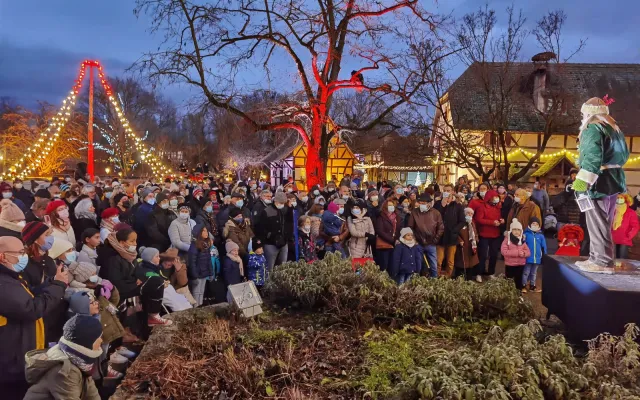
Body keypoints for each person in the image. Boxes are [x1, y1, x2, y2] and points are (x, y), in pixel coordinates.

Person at [0, 236, 68, 399]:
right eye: (19, 253)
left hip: (17, 355)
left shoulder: (11, 277)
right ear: (2, 256)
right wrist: (58, 286)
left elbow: (29, 295)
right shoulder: (3, 284)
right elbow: (31, 308)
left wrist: (52, 282)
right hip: (11, 362)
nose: (23, 256)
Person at [98, 228, 171, 327]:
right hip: (119, 291)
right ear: (122, 243)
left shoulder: (129, 254)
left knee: (156, 282)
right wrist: (136, 283)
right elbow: (116, 282)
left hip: (131, 285)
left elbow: (137, 270)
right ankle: (152, 316)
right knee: (156, 284)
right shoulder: (113, 258)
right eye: (132, 241)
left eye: (136, 240)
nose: (135, 244)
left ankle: (149, 321)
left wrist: (141, 278)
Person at [23, 315, 103, 400]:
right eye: (98, 337)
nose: (101, 340)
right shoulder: (65, 371)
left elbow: (92, 395)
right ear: (86, 341)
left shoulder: (80, 362)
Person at [136, 247, 191, 312]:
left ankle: (190, 311)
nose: (169, 262)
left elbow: (183, 283)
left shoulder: (179, 266)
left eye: (172, 260)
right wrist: (162, 283)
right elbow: (151, 278)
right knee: (174, 301)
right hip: (161, 290)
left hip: (174, 290)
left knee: (181, 298)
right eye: (168, 259)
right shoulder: (154, 267)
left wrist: (179, 270)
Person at [433, 184, 466, 278]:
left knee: (450, 261)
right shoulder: (438, 204)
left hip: (452, 237)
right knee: (438, 260)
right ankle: (437, 277)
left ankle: (448, 277)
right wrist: (442, 205)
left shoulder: (457, 206)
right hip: (440, 237)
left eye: (449, 190)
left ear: (452, 192)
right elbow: (434, 217)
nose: (447, 192)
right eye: (445, 190)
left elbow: (462, 221)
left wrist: (454, 230)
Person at [407, 193, 443, 278]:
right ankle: (417, 280)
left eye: (424, 203)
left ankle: (434, 281)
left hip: (431, 243)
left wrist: (435, 240)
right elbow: (410, 227)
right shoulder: (414, 213)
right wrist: (414, 240)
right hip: (418, 243)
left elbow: (441, 228)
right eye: (420, 203)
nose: (422, 205)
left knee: (433, 264)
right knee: (418, 264)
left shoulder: (436, 213)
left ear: (429, 203)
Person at [474, 190, 504, 281]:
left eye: (497, 197)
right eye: (494, 197)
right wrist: (491, 222)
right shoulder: (482, 207)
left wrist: (501, 220)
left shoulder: (498, 207)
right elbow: (479, 219)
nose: (496, 199)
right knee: (482, 255)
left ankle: (491, 272)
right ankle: (479, 273)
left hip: (495, 234)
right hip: (484, 234)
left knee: (494, 254)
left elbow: (499, 217)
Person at [255, 192, 289, 270]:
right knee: (269, 267)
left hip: (284, 242)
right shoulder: (267, 211)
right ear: (276, 201)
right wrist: (270, 236)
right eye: (281, 202)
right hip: (270, 243)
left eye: (284, 203)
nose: (282, 204)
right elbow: (261, 228)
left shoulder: (284, 210)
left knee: (283, 266)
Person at [187, 224, 219, 306]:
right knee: (196, 292)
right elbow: (192, 262)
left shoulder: (206, 245)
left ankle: (200, 308)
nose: (206, 233)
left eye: (206, 231)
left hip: (204, 273)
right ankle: (195, 309)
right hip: (198, 274)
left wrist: (211, 273)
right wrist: (195, 275)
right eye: (204, 231)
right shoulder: (194, 246)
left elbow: (208, 260)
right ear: (198, 232)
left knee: (201, 292)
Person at [501, 218, 530, 290]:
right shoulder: (507, 240)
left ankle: (518, 294)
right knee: (509, 281)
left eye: (518, 230)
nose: (516, 232)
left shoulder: (522, 241)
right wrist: (516, 253)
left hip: (520, 265)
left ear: (521, 231)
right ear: (511, 230)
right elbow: (504, 251)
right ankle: (509, 295)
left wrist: (523, 253)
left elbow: (528, 252)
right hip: (510, 265)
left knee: (518, 281)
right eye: (514, 229)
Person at [375, 199, 402, 272]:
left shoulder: (397, 217)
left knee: (392, 267)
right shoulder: (381, 217)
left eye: (392, 205)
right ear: (385, 207)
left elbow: (399, 230)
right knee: (384, 266)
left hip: (394, 245)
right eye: (389, 205)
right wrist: (392, 240)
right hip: (384, 246)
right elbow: (379, 231)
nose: (391, 207)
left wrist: (396, 239)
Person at [453, 207, 479, 280]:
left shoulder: (472, 223)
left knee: (470, 265)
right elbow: (455, 233)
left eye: (471, 214)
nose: (470, 215)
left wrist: (476, 240)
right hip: (462, 247)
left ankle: (469, 279)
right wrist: (459, 240)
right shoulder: (460, 223)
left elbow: (475, 233)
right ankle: (458, 278)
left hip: (471, 247)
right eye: (468, 213)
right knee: (460, 264)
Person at [523, 217, 547, 293]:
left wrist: (544, 256)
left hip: (537, 258)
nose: (535, 225)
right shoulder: (525, 234)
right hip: (528, 257)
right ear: (530, 224)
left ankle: (532, 286)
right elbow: (522, 245)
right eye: (533, 223)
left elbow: (544, 247)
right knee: (526, 272)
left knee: (534, 273)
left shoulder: (541, 236)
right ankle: (523, 285)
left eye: (536, 224)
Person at [612, 193, 639, 259]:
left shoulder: (631, 212)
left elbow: (635, 226)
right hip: (612, 238)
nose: (619, 200)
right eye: (617, 198)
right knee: (612, 259)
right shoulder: (611, 211)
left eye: (621, 198)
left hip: (624, 239)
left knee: (622, 259)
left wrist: (629, 235)